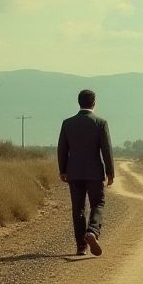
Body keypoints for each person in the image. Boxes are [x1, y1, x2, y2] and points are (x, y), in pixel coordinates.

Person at [57, 89, 114, 256]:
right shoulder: (100, 123)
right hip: (95, 172)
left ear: (79, 103)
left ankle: (81, 246)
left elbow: (62, 149)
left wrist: (63, 170)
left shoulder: (67, 123)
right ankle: (92, 232)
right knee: (98, 203)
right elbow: (106, 149)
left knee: (78, 208)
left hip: (73, 172)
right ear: (94, 104)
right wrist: (110, 172)